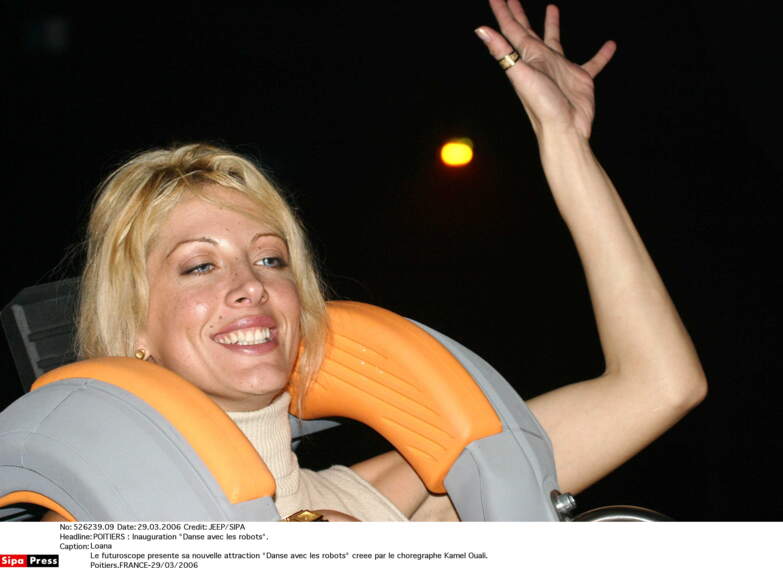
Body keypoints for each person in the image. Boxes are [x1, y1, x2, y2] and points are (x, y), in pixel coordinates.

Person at [42, 0, 706, 522]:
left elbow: (660, 385)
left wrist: (564, 142)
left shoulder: (403, 499)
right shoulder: (82, 525)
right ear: (135, 325)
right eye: (198, 266)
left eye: (271, 260)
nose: (249, 286)